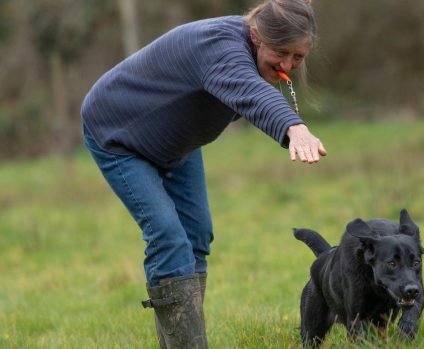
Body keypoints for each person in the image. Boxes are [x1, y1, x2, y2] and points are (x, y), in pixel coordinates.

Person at [80, 0, 326, 347]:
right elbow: (249, 91)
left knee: (197, 234)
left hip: (175, 142)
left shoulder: (253, 52)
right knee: (168, 236)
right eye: (281, 53)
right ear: (257, 36)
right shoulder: (219, 46)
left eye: (298, 57)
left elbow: (246, 90)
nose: (287, 65)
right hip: (118, 135)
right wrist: (293, 127)